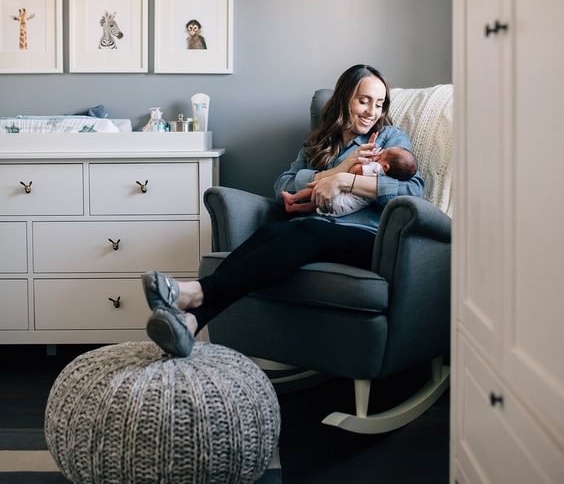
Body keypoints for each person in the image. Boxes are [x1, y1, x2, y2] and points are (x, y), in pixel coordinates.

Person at [142, 63, 425, 357]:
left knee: (308, 229)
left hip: (367, 238)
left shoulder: (389, 138)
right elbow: (283, 186)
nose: (372, 111)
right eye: (364, 100)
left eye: (379, 104)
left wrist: (346, 180)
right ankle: (191, 321)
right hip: (313, 231)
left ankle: (196, 293)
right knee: (271, 232)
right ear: (344, 99)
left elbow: (414, 189)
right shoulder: (319, 143)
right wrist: (332, 171)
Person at [280, 143, 417, 216]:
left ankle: (293, 199)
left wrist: (340, 177)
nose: (381, 151)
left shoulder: (377, 168)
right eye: (363, 101)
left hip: (343, 204)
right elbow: (282, 183)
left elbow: (355, 171)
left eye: (379, 104)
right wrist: (335, 172)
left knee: (315, 188)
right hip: (342, 207)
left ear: (386, 166)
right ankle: (294, 207)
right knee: (314, 205)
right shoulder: (383, 172)